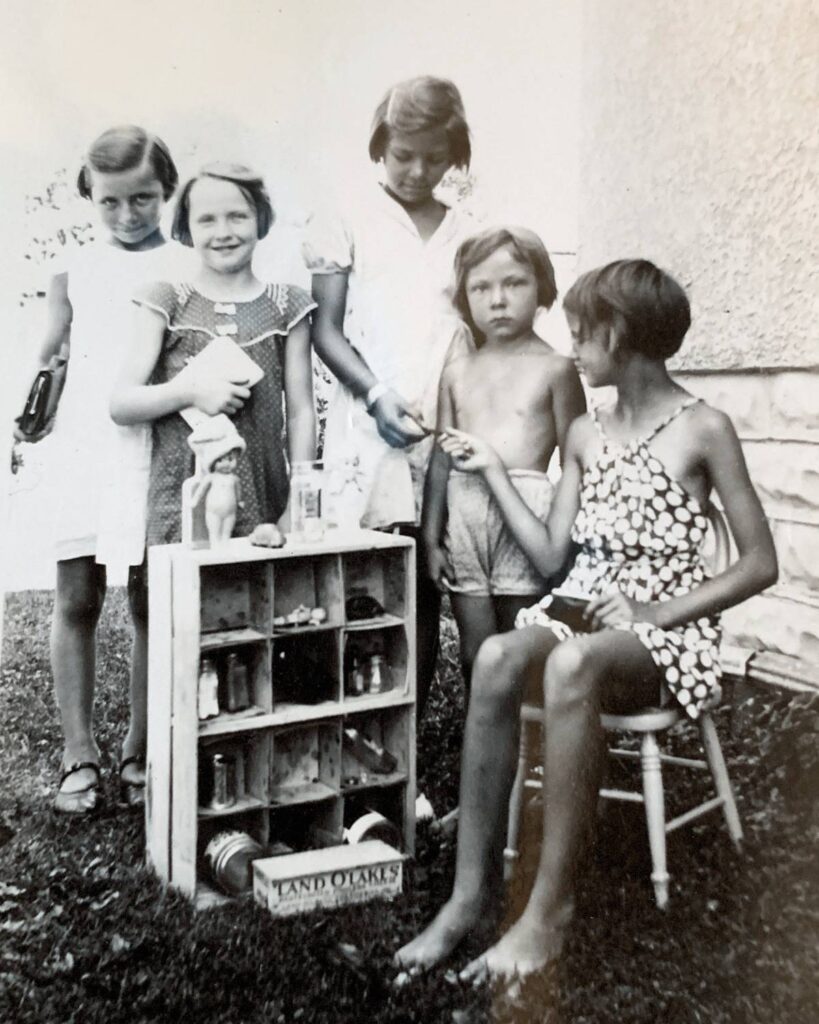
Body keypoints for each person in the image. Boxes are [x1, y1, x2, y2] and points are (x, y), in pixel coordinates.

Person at [395, 259, 778, 981]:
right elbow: (547, 556)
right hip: (581, 606)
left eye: (582, 334)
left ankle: (547, 913)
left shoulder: (703, 429)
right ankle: (469, 895)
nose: (572, 348)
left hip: (665, 628)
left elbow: (759, 564)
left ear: (621, 334)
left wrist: (653, 609)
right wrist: (495, 473)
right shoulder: (584, 434)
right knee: (498, 657)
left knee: (572, 663)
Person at [14, 125, 185, 814]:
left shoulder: (185, 265)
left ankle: (142, 750)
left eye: (142, 198)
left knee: (152, 600)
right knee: (78, 598)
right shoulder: (72, 269)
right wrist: (34, 405)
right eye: (110, 202)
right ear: (92, 197)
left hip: (154, 442)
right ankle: (77, 753)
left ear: (166, 190)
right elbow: (52, 353)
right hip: (87, 443)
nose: (127, 215)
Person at [304, 75, 477, 717]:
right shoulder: (346, 215)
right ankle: (348, 728)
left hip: (441, 422)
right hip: (367, 418)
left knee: (422, 584)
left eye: (434, 157)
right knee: (358, 581)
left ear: (454, 155)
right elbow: (326, 328)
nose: (417, 169)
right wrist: (375, 394)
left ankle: (400, 744)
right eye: (405, 154)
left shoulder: (467, 230)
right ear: (381, 145)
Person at [110, 162, 316, 553]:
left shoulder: (288, 305)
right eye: (207, 220)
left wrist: (298, 505)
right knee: (183, 606)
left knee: (267, 603)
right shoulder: (167, 300)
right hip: (182, 503)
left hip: (265, 497)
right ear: (187, 229)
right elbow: (121, 403)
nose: (223, 232)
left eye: (237, 216)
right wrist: (190, 392)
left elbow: (302, 411)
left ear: (261, 219)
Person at [423, 227, 585, 691]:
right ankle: (486, 751)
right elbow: (441, 457)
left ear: (542, 289)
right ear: (464, 297)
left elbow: (580, 458)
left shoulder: (556, 368)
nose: (498, 299)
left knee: (518, 646)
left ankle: (527, 755)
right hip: (466, 515)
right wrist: (432, 537)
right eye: (481, 288)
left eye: (514, 283)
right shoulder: (457, 371)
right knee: (476, 652)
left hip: (526, 514)